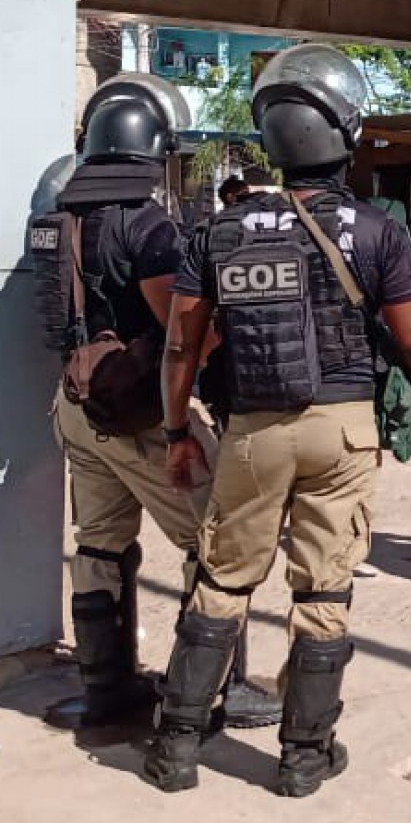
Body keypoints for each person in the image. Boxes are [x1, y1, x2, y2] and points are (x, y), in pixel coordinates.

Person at [145, 43, 411, 797]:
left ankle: (178, 749)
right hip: (345, 429)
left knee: (222, 583)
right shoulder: (376, 230)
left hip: (254, 431)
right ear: (345, 132)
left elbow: (182, 346)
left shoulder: (219, 233)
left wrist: (175, 432)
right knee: (323, 589)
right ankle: (303, 756)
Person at [28, 74, 279, 732]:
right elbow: (184, 333)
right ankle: (217, 689)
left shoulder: (61, 221)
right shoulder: (145, 226)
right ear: (152, 149)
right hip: (140, 412)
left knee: (100, 544)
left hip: (77, 407)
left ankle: (107, 689)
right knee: (218, 540)